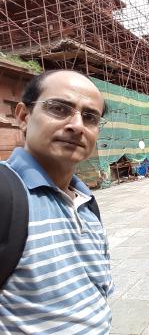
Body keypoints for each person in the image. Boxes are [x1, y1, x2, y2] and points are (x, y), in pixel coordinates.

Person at [0, 70, 114, 333]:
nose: (76, 125)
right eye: (59, 109)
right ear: (23, 116)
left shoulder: (86, 203)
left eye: (90, 117)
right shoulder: (6, 194)